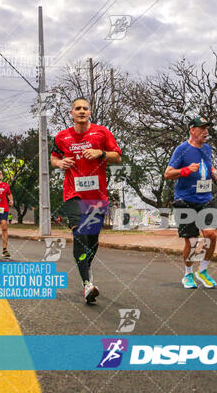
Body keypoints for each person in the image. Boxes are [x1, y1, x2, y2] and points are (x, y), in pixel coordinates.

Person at [51, 97, 122, 304]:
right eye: (77, 108)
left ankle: (86, 270)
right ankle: (87, 284)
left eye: (85, 108)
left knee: (92, 240)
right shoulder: (62, 137)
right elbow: (53, 158)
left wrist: (100, 153)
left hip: (96, 196)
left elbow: (117, 157)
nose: (81, 111)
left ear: (90, 112)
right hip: (73, 193)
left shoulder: (102, 132)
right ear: (71, 113)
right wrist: (60, 163)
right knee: (80, 234)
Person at [164, 116, 217, 289]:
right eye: (202, 128)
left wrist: (214, 173)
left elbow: (208, 165)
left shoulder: (207, 149)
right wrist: (185, 170)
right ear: (192, 130)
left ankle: (202, 270)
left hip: (205, 199)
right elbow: (168, 173)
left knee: (211, 235)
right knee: (192, 242)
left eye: (207, 129)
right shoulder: (181, 149)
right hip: (185, 200)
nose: (206, 132)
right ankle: (188, 274)